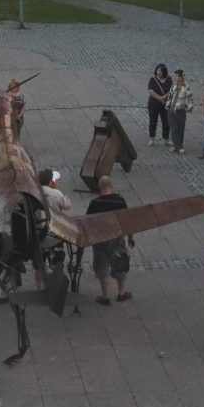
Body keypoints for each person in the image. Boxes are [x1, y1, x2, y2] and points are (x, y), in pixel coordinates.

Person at [86, 176, 134, 305]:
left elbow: (88, 223)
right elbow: (127, 221)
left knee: (102, 268)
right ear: (111, 186)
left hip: (100, 241)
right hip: (117, 239)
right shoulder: (120, 201)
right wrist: (130, 237)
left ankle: (105, 297)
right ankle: (121, 294)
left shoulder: (95, 203)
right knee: (121, 265)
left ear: (99, 188)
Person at [166, 69, 193, 154]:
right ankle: (179, 147)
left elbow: (190, 99)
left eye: (178, 80)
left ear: (182, 79)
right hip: (171, 110)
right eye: (175, 79)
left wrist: (189, 107)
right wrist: (167, 105)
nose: (176, 82)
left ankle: (177, 146)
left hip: (180, 111)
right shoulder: (173, 85)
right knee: (174, 129)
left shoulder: (186, 87)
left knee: (180, 130)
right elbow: (170, 96)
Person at [145, 64, 171, 146]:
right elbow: (150, 91)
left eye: (161, 71)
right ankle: (151, 139)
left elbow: (171, 90)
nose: (159, 72)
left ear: (164, 72)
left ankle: (166, 139)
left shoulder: (168, 79)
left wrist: (164, 97)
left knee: (166, 122)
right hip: (153, 103)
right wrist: (160, 98)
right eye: (158, 70)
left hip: (165, 103)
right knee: (153, 121)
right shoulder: (153, 79)